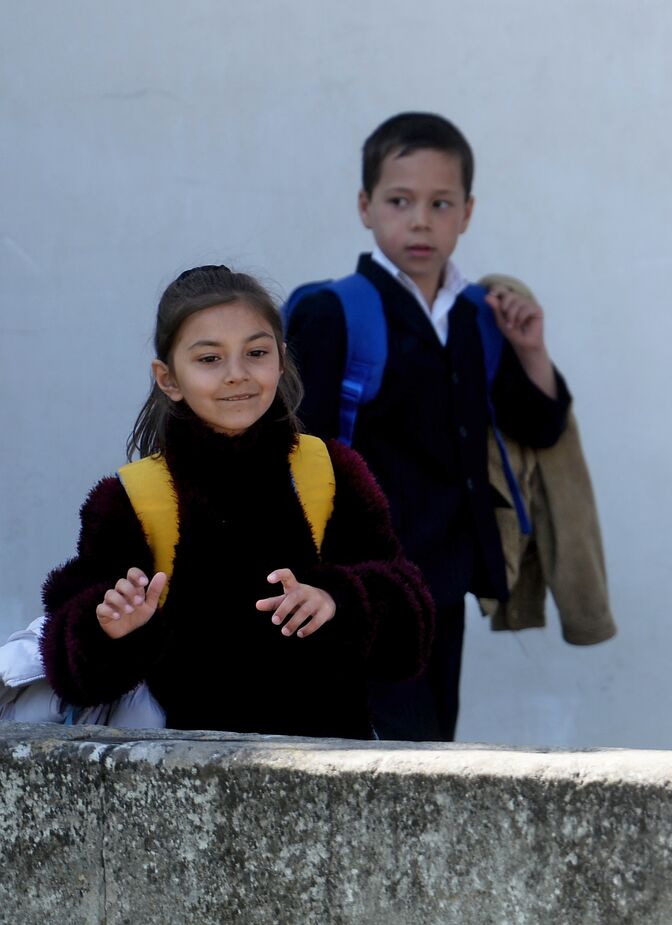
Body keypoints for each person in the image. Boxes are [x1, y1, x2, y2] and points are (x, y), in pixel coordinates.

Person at [41, 266, 434, 739]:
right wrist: (108, 628)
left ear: (281, 360)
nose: (237, 375)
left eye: (256, 352)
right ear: (168, 379)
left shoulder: (331, 472)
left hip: (329, 779)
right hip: (181, 790)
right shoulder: (130, 499)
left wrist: (339, 600)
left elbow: (412, 633)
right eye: (210, 358)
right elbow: (69, 668)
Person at [285, 113, 571, 742]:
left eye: (440, 203)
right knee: (381, 750)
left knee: (437, 743)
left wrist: (531, 351)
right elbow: (296, 454)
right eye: (399, 201)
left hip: (445, 580)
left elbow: (539, 425)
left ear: (466, 212)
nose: (420, 220)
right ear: (365, 207)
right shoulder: (336, 313)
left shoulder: (477, 317)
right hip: (362, 584)